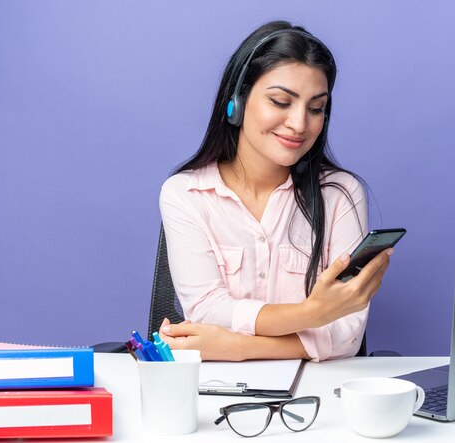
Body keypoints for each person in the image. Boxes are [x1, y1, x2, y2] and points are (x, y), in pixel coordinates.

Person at [158, 20, 392, 362]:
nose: (300, 124)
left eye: (316, 108)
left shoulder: (341, 193)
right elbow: (207, 312)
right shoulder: (185, 194)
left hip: (319, 394)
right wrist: (313, 314)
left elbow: (347, 335)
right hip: (216, 391)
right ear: (236, 101)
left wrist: (237, 346)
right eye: (281, 101)